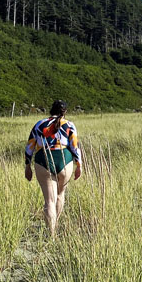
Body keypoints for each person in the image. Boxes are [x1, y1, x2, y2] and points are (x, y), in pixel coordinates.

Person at [24, 100, 82, 236]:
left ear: (51, 110)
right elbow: (74, 146)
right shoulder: (69, 124)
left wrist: (27, 165)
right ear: (65, 112)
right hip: (65, 160)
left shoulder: (40, 124)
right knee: (60, 195)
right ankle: (56, 224)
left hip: (43, 160)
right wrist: (79, 165)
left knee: (49, 201)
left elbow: (30, 146)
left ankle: (52, 233)